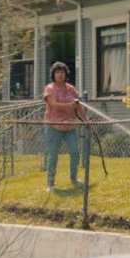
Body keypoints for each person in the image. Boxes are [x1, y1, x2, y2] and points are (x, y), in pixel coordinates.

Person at [43, 62, 87, 192]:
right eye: (57, 72)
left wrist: (86, 120)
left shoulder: (71, 89)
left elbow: (78, 107)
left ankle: (74, 178)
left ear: (66, 74)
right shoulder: (50, 88)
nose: (60, 75)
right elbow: (54, 105)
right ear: (53, 75)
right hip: (53, 126)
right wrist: (70, 105)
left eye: (62, 72)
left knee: (74, 151)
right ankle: (50, 184)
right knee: (53, 155)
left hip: (70, 126)